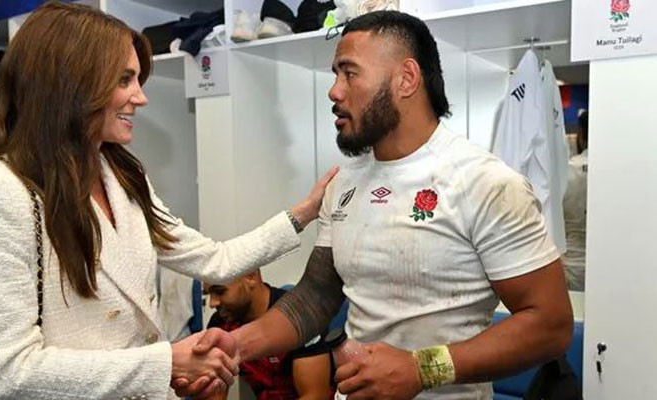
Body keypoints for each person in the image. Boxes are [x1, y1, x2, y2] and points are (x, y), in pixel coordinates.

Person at [176, 10, 574, 400]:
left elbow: (550, 326)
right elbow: (316, 296)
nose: (334, 91)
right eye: (335, 74)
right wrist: (235, 346)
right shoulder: (344, 184)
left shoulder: (487, 183)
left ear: (406, 78)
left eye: (349, 73)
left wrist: (422, 368)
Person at [0, 2, 336, 400]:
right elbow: (5, 371)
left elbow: (215, 259)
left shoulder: (122, 177)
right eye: (125, 79)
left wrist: (303, 213)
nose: (141, 97)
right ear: (71, 83)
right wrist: (166, 364)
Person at [204, 271, 334, 400]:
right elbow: (215, 393)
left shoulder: (300, 316)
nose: (212, 303)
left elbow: (316, 395)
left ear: (250, 276)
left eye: (220, 291)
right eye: (208, 293)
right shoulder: (220, 325)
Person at [562, 111, 589, 291]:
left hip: (571, 264)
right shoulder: (618, 173)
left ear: (581, 134)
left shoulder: (567, 170)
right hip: (609, 262)